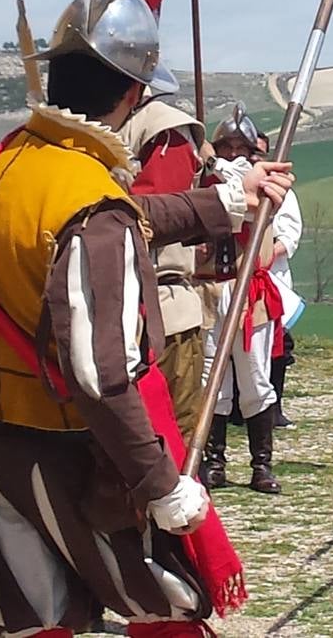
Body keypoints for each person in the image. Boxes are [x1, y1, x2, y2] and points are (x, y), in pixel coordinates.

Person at [0, 0, 280, 636]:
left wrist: (225, 200)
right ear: (133, 94)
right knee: (172, 608)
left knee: (32, 625)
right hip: (70, 461)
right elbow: (101, 376)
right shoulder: (89, 199)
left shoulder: (13, 160)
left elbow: (122, 218)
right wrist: (163, 487)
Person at [196, 107, 288, 494]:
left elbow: (239, 184)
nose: (233, 153)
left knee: (254, 380)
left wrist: (215, 159)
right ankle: (214, 462)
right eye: (225, 146)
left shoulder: (264, 183)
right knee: (210, 383)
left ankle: (261, 466)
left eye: (240, 147)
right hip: (209, 291)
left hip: (249, 291)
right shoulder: (202, 183)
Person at [115, 85, 209, 442]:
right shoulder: (101, 124)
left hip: (162, 311)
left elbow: (157, 216)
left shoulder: (163, 129)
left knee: (170, 438)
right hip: (111, 303)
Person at [257, 130, 303, 430]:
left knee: (276, 346)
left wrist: (260, 255)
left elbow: (289, 234)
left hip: (269, 277)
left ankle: (272, 408)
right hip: (226, 277)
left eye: (257, 152)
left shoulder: (281, 190)